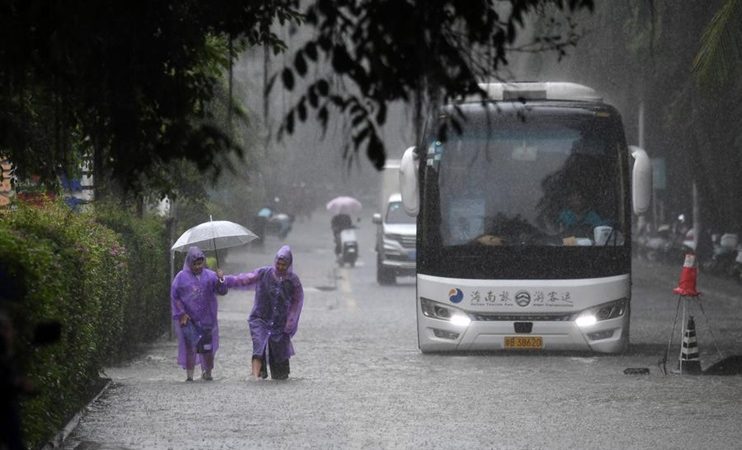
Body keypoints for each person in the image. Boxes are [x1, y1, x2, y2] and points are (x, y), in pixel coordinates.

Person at [225, 245, 304, 380]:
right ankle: (256, 376)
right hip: (260, 318)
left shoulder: (293, 281)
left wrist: (290, 322)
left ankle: (279, 374)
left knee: (279, 357)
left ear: (289, 264)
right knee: (259, 345)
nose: (280, 267)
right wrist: (225, 280)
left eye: (283, 265)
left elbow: (297, 303)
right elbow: (244, 279)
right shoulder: (264, 273)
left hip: (280, 323)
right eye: (278, 263)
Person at [170, 246, 227, 382]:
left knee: (207, 348)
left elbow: (222, 291)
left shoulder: (210, 276)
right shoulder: (181, 277)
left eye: (200, 263)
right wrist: (181, 313)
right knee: (191, 347)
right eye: (194, 264)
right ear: (189, 263)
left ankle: (207, 372)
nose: (197, 266)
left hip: (207, 319)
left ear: (204, 262)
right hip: (188, 320)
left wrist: (221, 280)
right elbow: (174, 295)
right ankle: (189, 376)